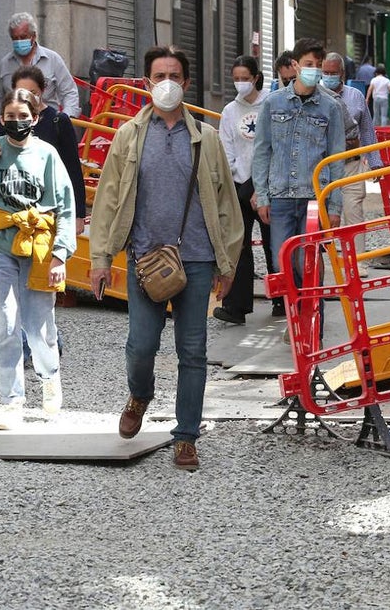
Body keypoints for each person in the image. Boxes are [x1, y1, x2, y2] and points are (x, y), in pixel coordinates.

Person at [88, 45, 242, 471]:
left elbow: (227, 205)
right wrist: (100, 257)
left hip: (196, 259)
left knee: (192, 350)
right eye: (159, 75)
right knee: (140, 346)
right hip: (144, 258)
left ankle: (186, 437)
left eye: (175, 75)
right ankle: (140, 394)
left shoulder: (206, 139)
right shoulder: (129, 136)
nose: (167, 83)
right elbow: (108, 199)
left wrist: (227, 264)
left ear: (186, 83)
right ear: (147, 82)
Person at [0, 88, 75, 429]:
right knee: (5, 321)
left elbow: (64, 205)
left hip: (38, 244)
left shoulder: (47, 154)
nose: (17, 122)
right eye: (10, 116)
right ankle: (11, 399)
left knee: (38, 323)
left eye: (24, 117)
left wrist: (60, 255)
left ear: (35, 119)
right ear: (1, 118)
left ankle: (50, 378)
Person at [0, 66, 86, 366]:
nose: (26, 99)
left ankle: (47, 343)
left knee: (39, 291)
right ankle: (24, 349)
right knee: (14, 297)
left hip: (45, 221)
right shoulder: (8, 123)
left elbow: (72, 172)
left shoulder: (58, 122)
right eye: (22, 92)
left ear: (43, 91)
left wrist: (77, 216)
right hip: (11, 223)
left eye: (33, 93)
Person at [252, 37, 348, 287]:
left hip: (314, 198)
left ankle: (313, 323)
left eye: (318, 64)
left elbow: (336, 158)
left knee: (310, 264)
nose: (314, 70)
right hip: (281, 195)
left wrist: (335, 205)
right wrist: (262, 195)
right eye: (308, 63)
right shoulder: (273, 103)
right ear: (295, 65)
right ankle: (295, 320)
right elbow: (262, 151)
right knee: (280, 263)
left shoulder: (331, 107)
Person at [213, 55, 280, 324]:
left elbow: (274, 146)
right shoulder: (230, 110)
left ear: (256, 78)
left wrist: (260, 187)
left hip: (267, 183)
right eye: (236, 79)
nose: (240, 83)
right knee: (238, 246)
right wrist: (230, 183)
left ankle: (281, 300)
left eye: (245, 78)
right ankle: (236, 306)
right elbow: (225, 146)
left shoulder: (271, 105)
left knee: (273, 244)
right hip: (237, 184)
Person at [324, 52, 383, 277]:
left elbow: (367, 129)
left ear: (342, 74)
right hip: (325, 167)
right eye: (325, 73)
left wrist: (375, 162)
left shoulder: (356, 96)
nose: (328, 77)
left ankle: (358, 262)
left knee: (354, 211)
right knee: (326, 215)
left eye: (333, 73)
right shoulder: (316, 97)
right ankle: (328, 264)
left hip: (352, 164)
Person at [0, 11, 80, 121]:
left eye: (23, 37)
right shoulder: (5, 64)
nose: (19, 41)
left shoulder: (52, 59)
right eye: (15, 38)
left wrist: (66, 118)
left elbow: (69, 92)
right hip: (15, 126)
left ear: (33, 36)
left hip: (48, 123)